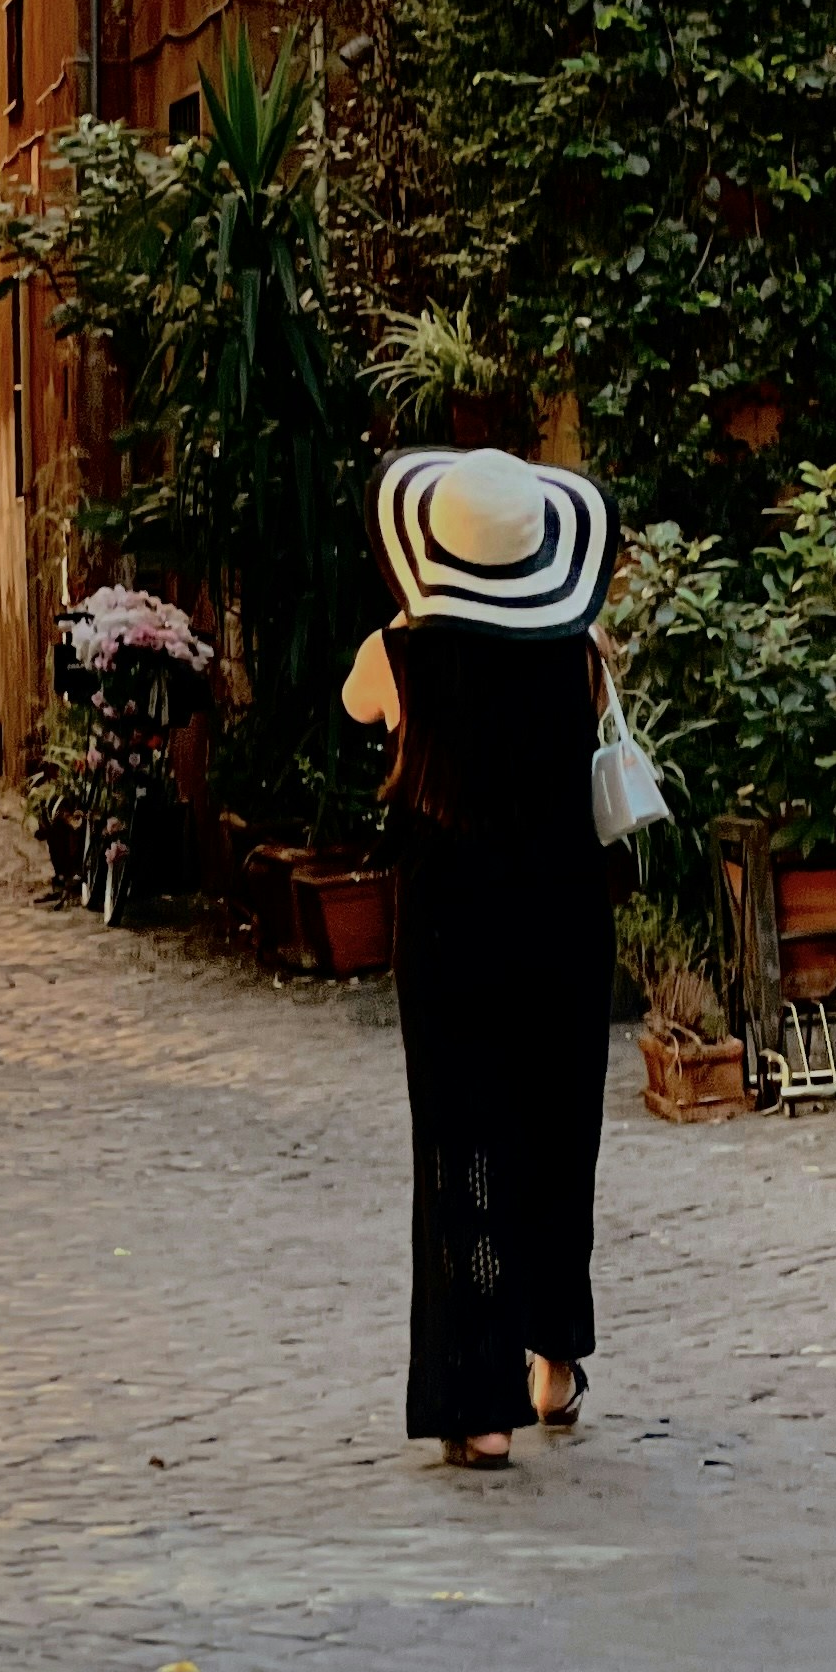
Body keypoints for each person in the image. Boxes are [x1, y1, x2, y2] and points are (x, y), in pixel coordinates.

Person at [342, 445, 618, 1469]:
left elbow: (354, 708)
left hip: (451, 918)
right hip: (564, 910)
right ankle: (553, 1362)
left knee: (465, 1150)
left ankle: (480, 1405)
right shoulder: (580, 646)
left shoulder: (396, 652)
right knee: (560, 1134)